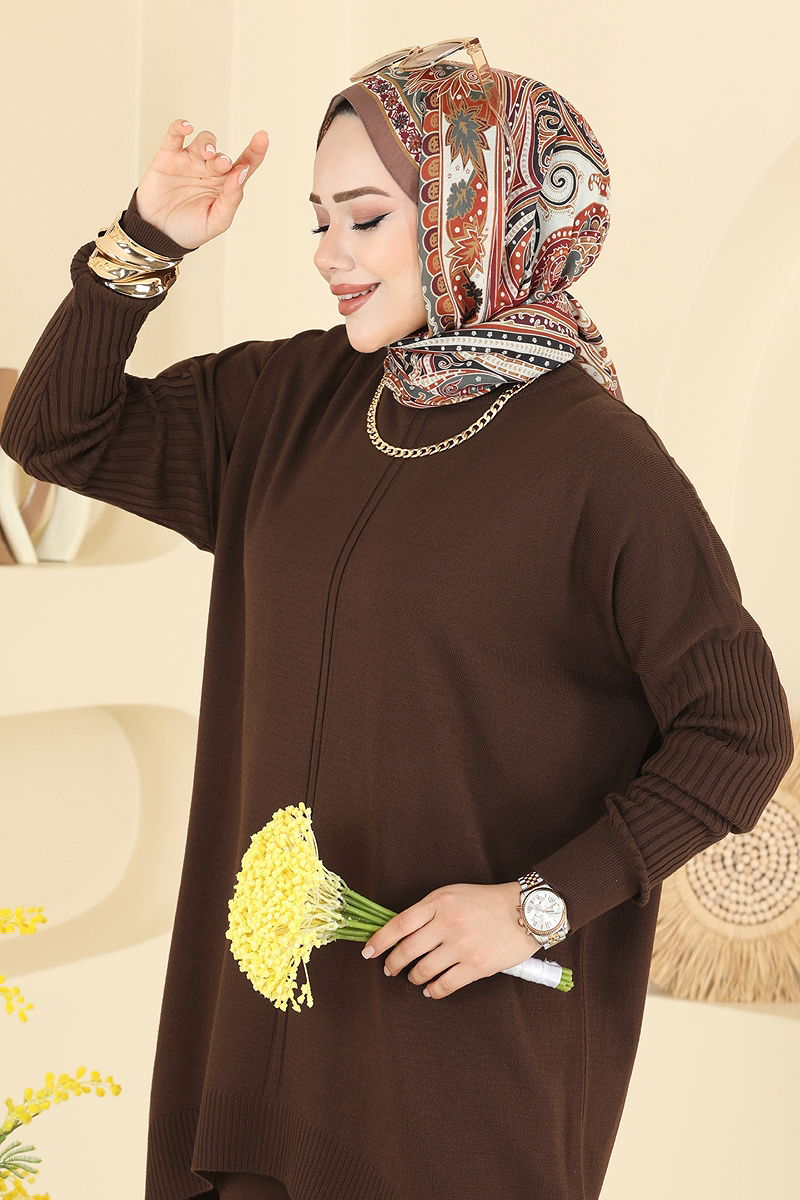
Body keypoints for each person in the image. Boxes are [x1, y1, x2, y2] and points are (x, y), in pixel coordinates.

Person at [0, 38, 793, 1200]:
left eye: (364, 218)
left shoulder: (597, 465)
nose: (328, 254)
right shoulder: (289, 401)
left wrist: (538, 906)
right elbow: (54, 432)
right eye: (317, 220)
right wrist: (146, 238)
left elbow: (738, 731)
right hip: (258, 1051)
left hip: (451, 1075)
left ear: (480, 215)